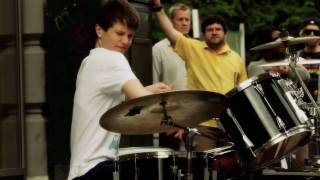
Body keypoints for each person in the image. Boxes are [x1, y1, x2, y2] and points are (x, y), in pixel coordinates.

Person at [68, 1, 171, 180]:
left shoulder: (90, 60)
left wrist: (148, 89)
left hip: (83, 167)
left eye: (130, 36)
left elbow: (111, 101)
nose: (126, 42)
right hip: (95, 168)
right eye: (120, 33)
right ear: (99, 30)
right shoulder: (112, 58)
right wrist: (178, 106)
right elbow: (144, 102)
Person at [152, 0, 248, 151]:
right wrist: (158, 8)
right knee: (201, 168)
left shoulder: (236, 58)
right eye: (210, 29)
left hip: (228, 125)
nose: (214, 32)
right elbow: (170, 32)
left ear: (225, 33)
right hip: (201, 124)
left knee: (229, 170)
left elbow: (242, 92)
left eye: (218, 29)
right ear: (204, 34)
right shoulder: (193, 49)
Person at [152, 3, 191, 150]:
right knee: (170, 165)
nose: (184, 23)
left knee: (197, 165)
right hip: (169, 117)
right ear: (171, 21)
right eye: (180, 19)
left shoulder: (198, 48)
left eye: (187, 19)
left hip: (194, 113)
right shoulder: (158, 49)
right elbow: (154, 83)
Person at [299, 17, 320, 102]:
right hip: (298, 105)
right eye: (308, 32)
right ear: (302, 34)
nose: (312, 34)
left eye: (316, 32)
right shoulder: (295, 56)